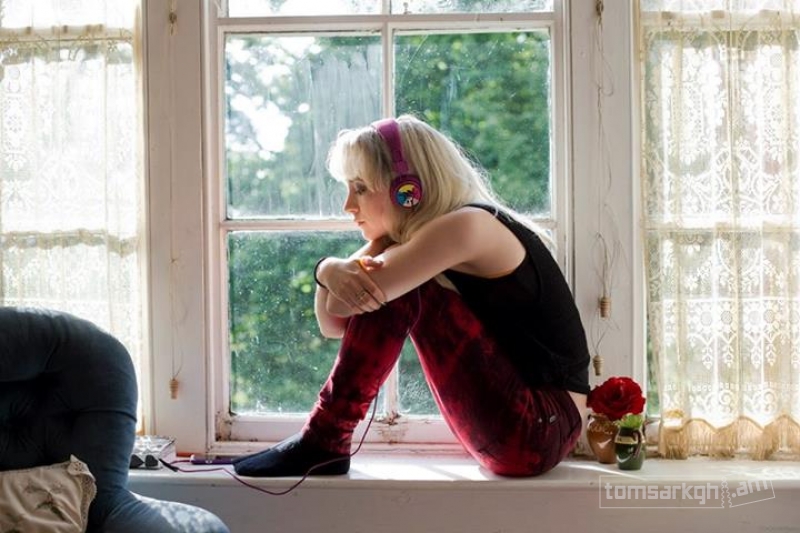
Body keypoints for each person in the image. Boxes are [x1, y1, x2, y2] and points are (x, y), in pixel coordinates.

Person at [233, 115, 590, 478]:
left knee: (401, 289)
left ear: (408, 190)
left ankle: (325, 438)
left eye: (360, 188)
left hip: (541, 427)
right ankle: (323, 440)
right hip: (527, 429)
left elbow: (348, 302)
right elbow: (333, 321)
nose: (348, 205)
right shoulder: (433, 237)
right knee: (391, 286)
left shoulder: (469, 225)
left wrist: (334, 268)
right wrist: (327, 269)